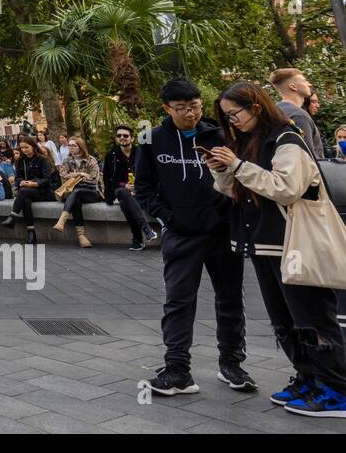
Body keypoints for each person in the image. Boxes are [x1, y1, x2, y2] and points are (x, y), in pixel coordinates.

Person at [205, 81, 346, 416]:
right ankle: (309, 377)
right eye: (226, 119)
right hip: (262, 243)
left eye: (234, 114)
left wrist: (238, 166)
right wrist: (224, 171)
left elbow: (286, 188)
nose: (232, 122)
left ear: (255, 107)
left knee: (312, 320)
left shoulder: (286, 140)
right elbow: (236, 191)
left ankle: (338, 389)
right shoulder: (248, 143)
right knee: (285, 321)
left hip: (294, 243)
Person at [136, 78, 252, 396]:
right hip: (181, 234)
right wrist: (168, 218)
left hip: (222, 231)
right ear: (166, 108)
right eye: (182, 108)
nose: (190, 113)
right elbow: (143, 188)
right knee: (178, 301)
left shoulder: (222, 135)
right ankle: (178, 370)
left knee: (230, 299)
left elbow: (240, 177)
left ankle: (232, 364)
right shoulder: (151, 139)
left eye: (196, 106)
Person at [103, 124, 158, 251]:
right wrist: (125, 186)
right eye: (119, 135)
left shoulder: (141, 152)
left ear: (132, 138)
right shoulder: (111, 155)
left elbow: (152, 173)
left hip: (141, 191)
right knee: (122, 192)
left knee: (124, 204)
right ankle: (147, 229)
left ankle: (138, 240)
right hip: (122, 190)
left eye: (125, 135)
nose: (122, 138)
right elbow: (108, 178)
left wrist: (139, 186)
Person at [0, 135, 51, 245]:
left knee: (23, 192)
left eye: (26, 147)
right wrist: (21, 182)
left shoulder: (42, 159)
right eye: (22, 148)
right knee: (25, 200)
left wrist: (34, 183)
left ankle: (13, 216)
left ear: (33, 146)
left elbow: (47, 180)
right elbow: (17, 178)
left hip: (42, 191)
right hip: (26, 191)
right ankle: (31, 233)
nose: (24, 150)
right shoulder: (20, 161)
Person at [52, 136, 100, 248]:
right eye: (70, 145)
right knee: (76, 199)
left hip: (91, 192)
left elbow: (94, 179)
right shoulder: (66, 161)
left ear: (81, 146)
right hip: (74, 193)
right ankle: (81, 236)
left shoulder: (91, 160)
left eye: (74, 145)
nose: (71, 147)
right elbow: (63, 178)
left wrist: (74, 177)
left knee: (76, 192)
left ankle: (62, 220)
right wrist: (81, 174)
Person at [269, 68, 325, 158]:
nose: (309, 84)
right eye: (304, 80)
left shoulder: (274, 110)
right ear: (293, 87)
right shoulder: (299, 115)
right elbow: (307, 157)